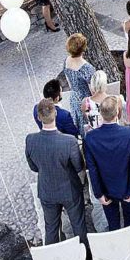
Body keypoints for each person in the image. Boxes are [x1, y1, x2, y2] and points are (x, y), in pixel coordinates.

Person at [25, 98, 86, 244]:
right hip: (70, 190)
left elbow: (33, 167)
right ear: (56, 114)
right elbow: (79, 167)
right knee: (78, 225)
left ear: (39, 117)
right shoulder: (69, 141)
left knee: (51, 229)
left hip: (47, 190)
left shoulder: (30, 140)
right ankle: (86, 257)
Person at [82, 95, 130, 232]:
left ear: (101, 113)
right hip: (127, 187)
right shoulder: (129, 133)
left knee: (113, 225)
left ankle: (117, 250)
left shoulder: (91, 137)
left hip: (106, 189)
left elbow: (92, 169)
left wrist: (99, 193)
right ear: (117, 113)